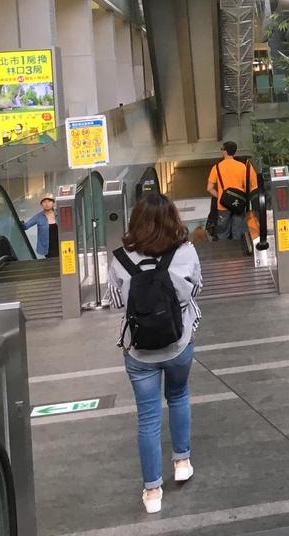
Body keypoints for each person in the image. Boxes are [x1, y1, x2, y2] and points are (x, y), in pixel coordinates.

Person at [107, 193, 203, 514]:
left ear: (135, 221)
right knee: (178, 395)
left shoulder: (120, 258)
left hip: (139, 351)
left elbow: (117, 303)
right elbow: (196, 289)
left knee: (147, 417)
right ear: (173, 218)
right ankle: (182, 462)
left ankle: (152, 492)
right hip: (178, 344)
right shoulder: (186, 252)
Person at [206, 141, 257, 241]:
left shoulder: (216, 168)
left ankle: (224, 249)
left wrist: (220, 196)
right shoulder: (242, 167)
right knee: (237, 232)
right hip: (238, 204)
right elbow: (250, 186)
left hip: (223, 205)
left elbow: (209, 188)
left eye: (222, 149)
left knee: (222, 233)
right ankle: (237, 248)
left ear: (225, 151)